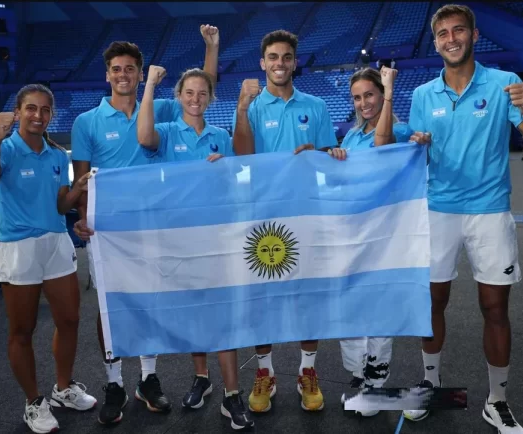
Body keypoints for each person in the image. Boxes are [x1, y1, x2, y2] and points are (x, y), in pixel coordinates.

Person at [400, 5, 523, 434]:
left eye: (458, 30)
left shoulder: (505, 83)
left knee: (495, 307)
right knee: (432, 303)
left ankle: (497, 401)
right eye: (443, 33)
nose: (451, 38)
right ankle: (431, 386)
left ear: (474, 35)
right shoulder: (423, 95)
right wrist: (418, 144)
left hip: (490, 210)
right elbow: (417, 155)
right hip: (438, 209)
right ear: (435, 43)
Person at [70, 25, 220, 425]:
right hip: (107, 230)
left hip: (153, 223)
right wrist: (83, 217)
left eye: (130, 69)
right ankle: (114, 383)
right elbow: (82, 178)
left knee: (150, 300)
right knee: (110, 307)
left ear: (140, 74)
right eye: (116, 69)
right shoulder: (86, 121)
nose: (123, 75)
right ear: (107, 74)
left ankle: (148, 379)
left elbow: (201, 89)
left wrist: (210, 48)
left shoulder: (160, 109)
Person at [136, 65, 252, 430]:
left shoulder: (221, 136)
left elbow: (239, 179)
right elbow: (144, 137)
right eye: (189, 93)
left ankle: (232, 395)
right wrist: (150, 85)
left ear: (211, 98)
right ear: (179, 96)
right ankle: (202, 378)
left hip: (217, 236)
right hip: (179, 237)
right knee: (195, 312)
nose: (196, 99)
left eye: (203, 93)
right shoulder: (169, 131)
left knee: (223, 314)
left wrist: (226, 168)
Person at [0, 84, 97, 434]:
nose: (38, 115)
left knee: (70, 320)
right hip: (19, 247)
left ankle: (63, 388)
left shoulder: (58, 155)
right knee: (22, 330)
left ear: (51, 115)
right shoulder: (5, 148)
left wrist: (77, 190)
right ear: (18, 112)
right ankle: (33, 401)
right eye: (31, 108)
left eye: (45, 110)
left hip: (56, 242)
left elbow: (60, 206)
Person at [232, 29, 337, 414]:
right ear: (263, 63)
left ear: (295, 62)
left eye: (286, 57)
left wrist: (318, 157)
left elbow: (330, 161)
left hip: (308, 213)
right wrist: (241, 109)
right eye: (273, 57)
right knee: (263, 300)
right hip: (264, 217)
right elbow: (242, 157)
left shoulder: (317, 106)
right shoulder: (251, 106)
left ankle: (307, 371)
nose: (280, 63)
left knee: (308, 296)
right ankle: (266, 372)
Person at [330, 66, 413, 418]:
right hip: (352, 232)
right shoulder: (351, 135)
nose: (363, 103)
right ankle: (359, 375)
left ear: (381, 94)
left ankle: (376, 385)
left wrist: (390, 92)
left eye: (370, 95)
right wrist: (335, 159)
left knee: (378, 307)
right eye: (357, 97)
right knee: (352, 304)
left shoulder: (400, 129)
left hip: (383, 232)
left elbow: (382, 147)